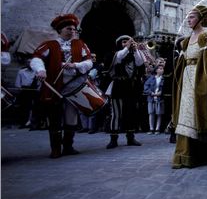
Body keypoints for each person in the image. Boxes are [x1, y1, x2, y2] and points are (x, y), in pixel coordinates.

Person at [31, 14, 93, 158]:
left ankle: (68, 147)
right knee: (54, 117)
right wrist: (40, 70)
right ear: (60, 30)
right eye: (68, 28)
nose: (72, 31)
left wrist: (75, 65)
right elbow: (36, 58)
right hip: (54, 86)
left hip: (73, 87)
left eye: (73, 29)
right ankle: (55, 149)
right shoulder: (49, 44)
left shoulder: (80, 44)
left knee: (71, 117)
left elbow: (89, 62)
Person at [171, 5, 207, 168]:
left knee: (194, 114)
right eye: (188, 16)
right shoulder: (186, 41)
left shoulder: (206, 37)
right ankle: (182, 153)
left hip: (199, 80)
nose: (188, 19)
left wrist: (204, 86)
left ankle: (196, 154)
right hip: (186, 80)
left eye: (192, 16)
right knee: (184, 114)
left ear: (201, 19)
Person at [106, 35, 145, 149]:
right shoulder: (115, 54)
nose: (127, 43)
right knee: (116, 114)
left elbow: (140, 63)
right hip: (118, 87)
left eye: (129, 42)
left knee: (131, 113)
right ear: (119, 44)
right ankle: (113, 139)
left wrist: (136, 49)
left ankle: (130, 137)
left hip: (131, 88)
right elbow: (118, 58)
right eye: (124, 42)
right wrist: (127, 47)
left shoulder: (134, 54)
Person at [15, 58, 41, 129]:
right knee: (25, 107)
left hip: (34, 90)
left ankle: (33, 122)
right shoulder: (21, 71)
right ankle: (24, 122)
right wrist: (19, 88)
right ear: (26, 63)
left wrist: (39, 88)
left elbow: (40, 82)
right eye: (28, 62)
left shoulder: (37, 72)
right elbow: (17, 83)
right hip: (25, 90)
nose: (30, 64)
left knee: (35, 106)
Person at [143, 64, 166, 135]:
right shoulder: (151, 78)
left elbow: (165, 87)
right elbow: (146, 87)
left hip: (160, 98)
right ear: (156, 70)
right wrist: (151, 93)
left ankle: (157, 128)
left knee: (159, 113)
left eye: (162, 69)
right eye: (160, 69)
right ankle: (151, 128)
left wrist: (161, 92)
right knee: (151, 113)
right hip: (151, 98)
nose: (162, 70)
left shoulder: (164, 78)